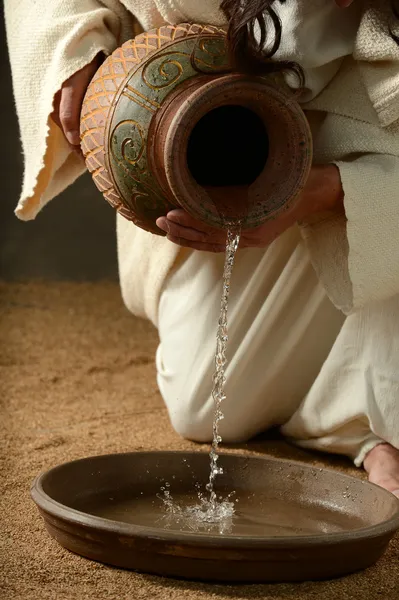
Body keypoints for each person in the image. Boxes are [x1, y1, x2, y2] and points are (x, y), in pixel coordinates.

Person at [5, 0, 399, 497]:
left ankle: (379, 414)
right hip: (213, 137)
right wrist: (72, 50)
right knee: (209, 405)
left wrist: (330, 191)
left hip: (373, 147)